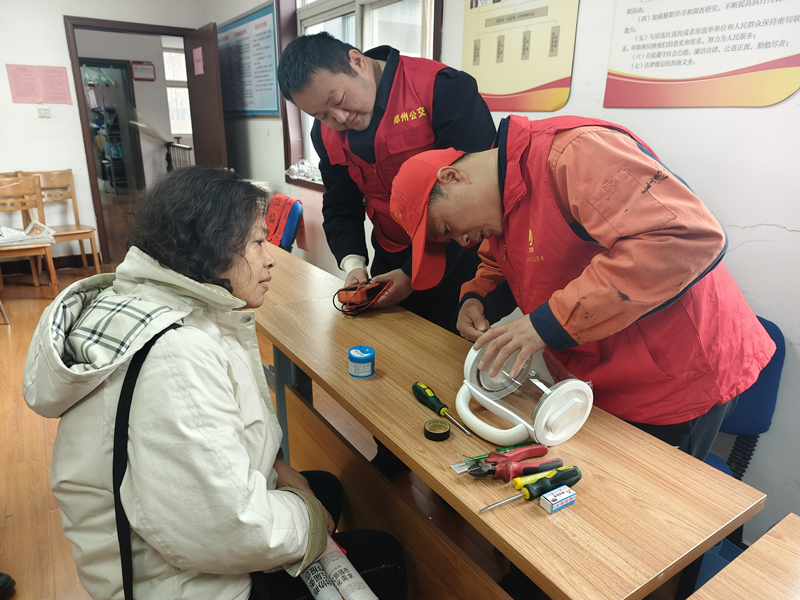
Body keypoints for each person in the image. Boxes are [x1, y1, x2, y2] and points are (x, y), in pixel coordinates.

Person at [23, 166, 406, 600]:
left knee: (323, 487)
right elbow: (228, 528)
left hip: (175, 544)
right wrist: (309, 519)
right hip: (184, 585)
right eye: (258, 242)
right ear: (213, 245)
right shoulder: (176, 354)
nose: (269, 258)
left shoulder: (154, 300)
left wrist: (279, 469)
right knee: (382, 551)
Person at [390, 114, 776, 461]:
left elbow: (683, 239)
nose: (462, 241)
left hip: (676, 375)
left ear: (452, 177)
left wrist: (547, 323)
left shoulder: (575, 154)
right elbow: (508, 259)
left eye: (447, 228)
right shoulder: (500, 195)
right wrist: (478, 298)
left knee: (642, 503)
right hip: (599, 376)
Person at [277, 32, 506, 333]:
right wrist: (353, 264)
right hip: (390, 256)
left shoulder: (442, 90)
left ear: (357, 62)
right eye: (321, 115)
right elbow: (340, 204)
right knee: (386, 342)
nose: (339, 118)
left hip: (459, 253)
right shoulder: (324, 134)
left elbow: (475, 198)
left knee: (450, 347)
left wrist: (412, 275)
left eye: (339, 101)